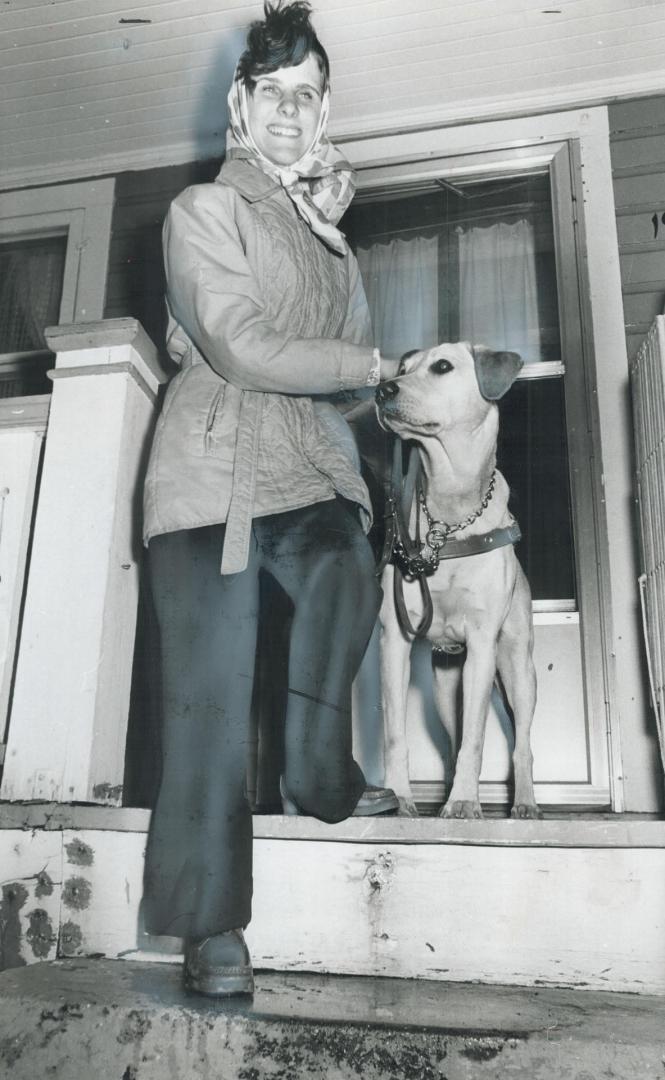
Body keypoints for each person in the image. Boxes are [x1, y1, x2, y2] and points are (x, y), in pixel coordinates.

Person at [141, 0, 402, 998]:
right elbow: (241, 346)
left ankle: (317, 767)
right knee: (206, 704)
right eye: (272, 94)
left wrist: (323, 236)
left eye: (308, 96)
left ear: (322, 112)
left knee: (345, 565)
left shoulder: (323, 234)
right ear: (236, 107)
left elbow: (339, 374)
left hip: (299, 465)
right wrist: (366, 359)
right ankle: (212, 931)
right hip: (208, 476)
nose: (290, 114)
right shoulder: (201, 212)